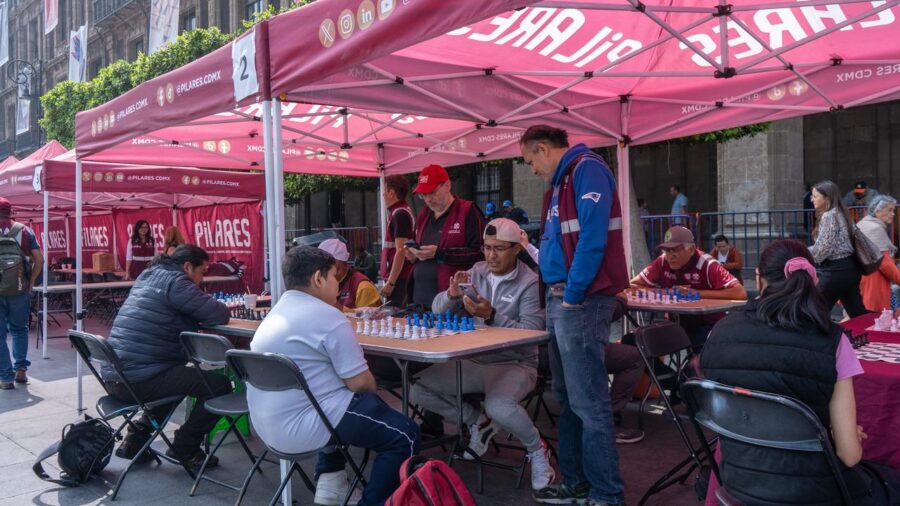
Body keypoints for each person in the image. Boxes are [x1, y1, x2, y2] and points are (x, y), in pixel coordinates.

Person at [701, 239, 899, 505]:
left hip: (739, 483)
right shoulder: (832, 340)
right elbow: (850, 455)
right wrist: (841, 434)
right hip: (815, 492)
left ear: (758, 277)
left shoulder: (719, 332)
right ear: (813, 281)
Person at [247, 246, 420, 505]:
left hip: (265, 424)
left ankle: (331, 481)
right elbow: (362, 383)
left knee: (352, 403)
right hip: (302, 425)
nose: (337, 286)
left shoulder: (276, 312)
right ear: (318, 278)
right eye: (333, 278)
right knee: (404, 434)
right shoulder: (329, 316)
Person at [521, 124, 628, 505]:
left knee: (588, 401)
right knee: (569, 397)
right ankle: (578, 481)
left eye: (530, 159)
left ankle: (606, 493)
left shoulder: (586, 169)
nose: (531, 169)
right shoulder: (563, 180)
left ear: (544, 149)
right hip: (563, 298)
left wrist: (574, 293)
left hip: (577, 300)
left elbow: (593, 237)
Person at [410, 218, 555, 491]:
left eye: (499, 248)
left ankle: (537, 449)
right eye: (487, 248)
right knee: (416, 388)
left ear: (516, 249)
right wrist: (451, 296)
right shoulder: (476, 271)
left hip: (516, 364)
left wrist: (492, 315)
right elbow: (438, 310)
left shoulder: (531, 282)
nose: (491, 255)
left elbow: (532, 334)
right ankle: (478, 421)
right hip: (475, 361)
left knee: (499, 405)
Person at [105, 245, 230, 468]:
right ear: (188, 266)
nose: (201, 280)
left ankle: (135, 440)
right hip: (139, 379)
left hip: (115, 376)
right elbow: (218, 313)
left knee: (175, 382)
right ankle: (185, 447)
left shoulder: (149, 274)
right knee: (219, 386)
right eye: (202, 273)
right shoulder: (177, 282)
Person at [631, 226, 747, 350]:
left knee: (698, 351)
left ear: (691, 249)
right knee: (636, 342)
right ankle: (664, 370)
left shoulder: (707, 264)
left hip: (707, 326)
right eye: (666, 250)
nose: (670, 256)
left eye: (675, 250)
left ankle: (691, 367)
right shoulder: (663, 261)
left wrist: (696, 293)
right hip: (675, 325)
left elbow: (740, 292)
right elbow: (632, 285)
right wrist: (664, 293)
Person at [407, 164, 485, 311]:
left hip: (453, 302)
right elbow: (416, 244)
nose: (428, 199)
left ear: (447, 186)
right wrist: (412, 255)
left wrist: (441, 253)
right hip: (420, 301)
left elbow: (480, 254)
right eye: (423, 195)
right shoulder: (424, 214)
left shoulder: (468, 211)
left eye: (432, 193)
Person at [0, 198, 42, 389]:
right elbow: (39, 260)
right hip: (19, 288)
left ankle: (6, 378)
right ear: (11, 211)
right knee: (19, 330)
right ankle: (21, 371)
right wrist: (30, 282)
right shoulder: (24, 230)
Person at [808, 180, 867, 317]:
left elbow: (824, 248)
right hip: (851, 269)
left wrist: (806, 253)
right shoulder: (842, 213)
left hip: (836, 271)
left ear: (827, 197)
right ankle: (869, 336)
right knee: (857, 313)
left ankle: (819, 338)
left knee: (814, 312)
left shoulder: (829, 215)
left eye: (815, 196)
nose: (812, 199)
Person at [857, 195, 900, 312]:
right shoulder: (875, 229)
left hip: (861, 280)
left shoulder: (863, 223)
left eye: (894, 210)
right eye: (889, 210)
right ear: (877, 211)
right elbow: (884, 263)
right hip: (873, 282)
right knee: (874, 320)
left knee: (858, 319)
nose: (893, 214)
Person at [379, 174, 415, 308]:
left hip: (400, 278)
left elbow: (401, 250)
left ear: (392, 192)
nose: (383, 195)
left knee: (394, 317)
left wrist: (391, 282)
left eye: (385, 191)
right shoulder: (400, 212)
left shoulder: (399, 214)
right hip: (400, 276)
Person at [318, 238, 380, 312]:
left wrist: (338, 308)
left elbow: (368, 320)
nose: (321, 270)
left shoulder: (363, 287)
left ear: (338, 266)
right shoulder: (323, 282)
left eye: (325, 265)